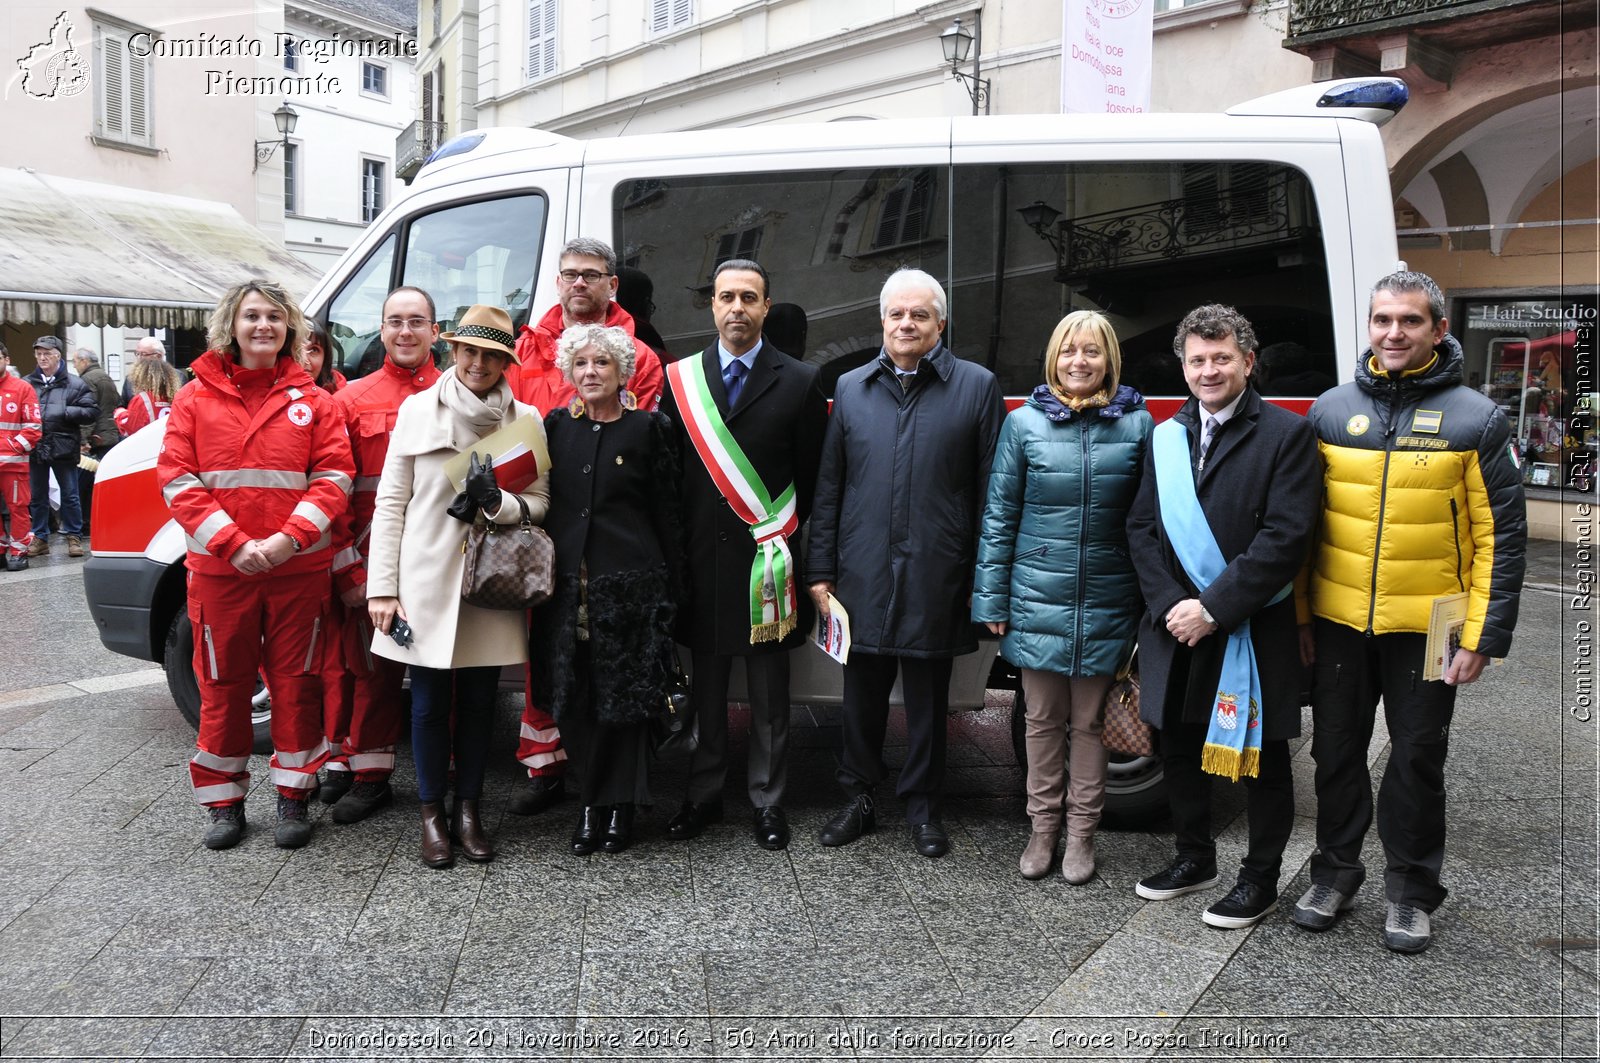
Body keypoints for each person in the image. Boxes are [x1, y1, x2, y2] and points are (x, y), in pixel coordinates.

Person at [1295, 271, 1526, 952]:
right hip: (1338, 619)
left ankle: (1411, 891)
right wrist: (1303, 618)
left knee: (1418, 758)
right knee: (1334, 753)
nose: (1394, 333)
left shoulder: (1477, 418)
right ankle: (1334, 873)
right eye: (1383, 320)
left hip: (1432, 626)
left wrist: (1483, 635)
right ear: (1369, 327)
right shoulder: (1330, 411)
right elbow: (1304, 527)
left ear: (1438, 329)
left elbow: (1500, 538)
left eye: (1410, 321)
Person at [1125, 304, 1319, 929]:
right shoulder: (1165, 435)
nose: (1209, 371)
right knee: (1178, 745)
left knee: (1259, 758)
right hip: (1174, 625)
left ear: (1248, 362)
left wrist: (1211, 607)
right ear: (1183, 366)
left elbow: (1286, 539)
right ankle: (1193, 858)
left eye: (1221, 358)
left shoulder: (1287, 436)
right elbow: (1141, 528)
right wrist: (1169, 607)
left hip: (1248, 627)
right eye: (1197, 360)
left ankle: (1259, 879)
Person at [807, 267, 1004, 858]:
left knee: (927, 700)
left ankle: (923, 809)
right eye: (897, 314)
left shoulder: (977, 385)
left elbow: (992, 491)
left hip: (936, 570)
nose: (907, 323)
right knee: (859, 697)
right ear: (883, 321)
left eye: (920, 314)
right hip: (861, 572)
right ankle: (858, 799)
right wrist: (820, 573)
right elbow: (830, 487)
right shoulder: (851, 388)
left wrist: (984, 579)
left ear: (940, 323)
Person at [155, 279, 355, 850]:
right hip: (224, 574)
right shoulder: (194, 398)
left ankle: (293, 796)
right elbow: (176, 478)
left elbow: (334, 478)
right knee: (223, 686)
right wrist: (235, 544)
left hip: (297, 573)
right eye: (251, 316)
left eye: (273, 316)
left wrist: (289, 540)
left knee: (298, 686)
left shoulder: (314, 400)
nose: (263, 325)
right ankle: (223, 804)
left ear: (288, 327)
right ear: (232, 326)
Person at [365, 304, 551, 868]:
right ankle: (431, 814)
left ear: (506, 362)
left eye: (492, 355)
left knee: (476, 704)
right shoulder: (417, 411)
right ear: (452, 350)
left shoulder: (527, 421)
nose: (478, 364)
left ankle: (468, 810)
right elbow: (391, 503)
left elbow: (541, 506)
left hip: (490, 582)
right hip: (422, 580)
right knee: (424, 706)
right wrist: (381, 588)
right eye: (469, 351)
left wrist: (501, 504)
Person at [972, 310, 1151, 883]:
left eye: (1092, 352)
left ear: (1109, 361)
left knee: (1091, 723)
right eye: (1070, 350)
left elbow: (1150, 521)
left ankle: (1081, 838)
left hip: (1109, 596)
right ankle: (1042, 830)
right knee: (1041, 720)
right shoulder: (1023, 425)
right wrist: (991, 599)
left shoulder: (1139, 425)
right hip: (1035, 597)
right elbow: (999, 517)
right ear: (1054, 357)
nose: (1080, 361)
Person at [658, 259, 827, 851]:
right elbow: (669, 478)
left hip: (768, 570)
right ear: (711, 305)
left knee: (770, 701)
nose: (737, 308)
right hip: (701, 569)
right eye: (726, 297)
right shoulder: (679, 381)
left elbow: (811, 482)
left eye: (749, 298)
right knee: (704, 696)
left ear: (766, 306)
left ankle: (768, 801)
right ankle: (701, 796)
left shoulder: (802, 381)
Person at [505, 238, 667, 818]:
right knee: (546, 662)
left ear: (611, 284)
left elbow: (641, 454)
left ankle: (609, 793)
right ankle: (545, 764)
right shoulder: (528, 347)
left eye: (591, 275)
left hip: (614, 553)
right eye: (570, 274)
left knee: (610, 672)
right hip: (546, 540)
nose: (579, 284)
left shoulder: (639, 353)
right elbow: (516, 436)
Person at [530, 324, 684, 855]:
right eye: (581, 364)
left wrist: (675, 590)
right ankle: (593, 802)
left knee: (625, 700)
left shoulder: (648, 428)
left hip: (632, 589)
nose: (590, 372)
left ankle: (618, 807)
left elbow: (668, 510)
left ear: (622, 372)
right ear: (569, 373)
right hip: (566, 589)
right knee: (575, 700)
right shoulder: (555, 427)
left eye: (602, 364)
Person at [323, 288, 444, 819]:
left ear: (436, 332)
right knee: (373, 671)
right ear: (381, 330)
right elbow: (333, 494)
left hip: (443, 560)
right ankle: (370, 775)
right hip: (379, 561)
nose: (405, 332)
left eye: (417, 322)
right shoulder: (350, 401)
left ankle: (448, 772)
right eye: (394, 322)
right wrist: (351, 569)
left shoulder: (462, 391)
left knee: (446, 669)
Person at [25, 337, 96, 558]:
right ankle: (40, 536)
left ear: (58, 355)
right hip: (37, 446)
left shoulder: (75, 383)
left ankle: (73, 536)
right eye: (39, 354)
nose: (42, 358)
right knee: (37, 495)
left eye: (47, 353)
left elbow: (91, 411)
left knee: (70, 494)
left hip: (63, 445)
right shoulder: (28, 382)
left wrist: (67, 412)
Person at [0, 342, 42, 571]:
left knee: (18, 509)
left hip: (14, 465)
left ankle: (18, 552)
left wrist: (12, 448)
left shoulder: (22, 388)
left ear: (6, 360)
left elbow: (34, 428)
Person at [73, 349, 121, 536]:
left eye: (75, 361)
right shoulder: (106, 377)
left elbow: (89, 412)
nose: (75, 365)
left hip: (96, 438)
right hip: (110, 434)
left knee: (84, 485)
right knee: (105, 481)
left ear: (84, 361)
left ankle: (87, 523)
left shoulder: (87, 380)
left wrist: (83, 439)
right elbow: (116, 402)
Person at [114, 357, 183, 437]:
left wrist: (120, 413)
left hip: (150, 444)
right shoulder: (177, 398)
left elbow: (131, 428)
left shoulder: (143, 399)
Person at [121, 337, 172, 404]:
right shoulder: (130, 378)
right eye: (137, 354)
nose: (139, 358)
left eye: (143, 354)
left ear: (158, 356)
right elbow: (123, 405)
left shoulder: (177, 377)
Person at [302, 320, 347, 394]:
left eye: (314, 350)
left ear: (325, 358)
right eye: (296, 348)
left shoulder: (339, 396)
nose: (304, 359)